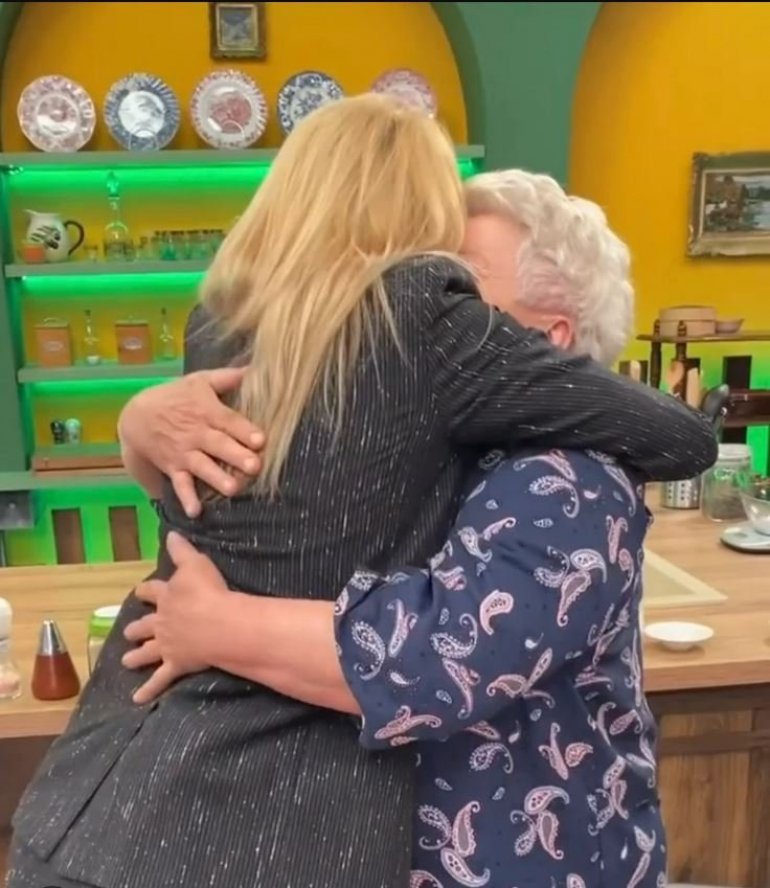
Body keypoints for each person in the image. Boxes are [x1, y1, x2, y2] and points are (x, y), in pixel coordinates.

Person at [8, 99, 710, 888]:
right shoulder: (397, 400)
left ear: (546, 341)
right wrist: (141, 427)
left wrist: (219, 625)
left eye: (455, 277)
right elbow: (254, 513)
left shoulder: (571, 474)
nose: (386, 290)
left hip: (518, 860)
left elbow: (438, 660)